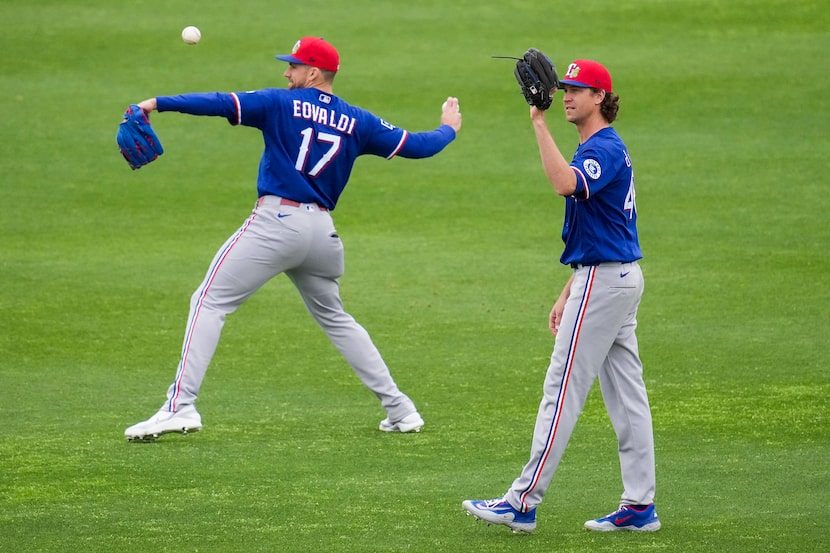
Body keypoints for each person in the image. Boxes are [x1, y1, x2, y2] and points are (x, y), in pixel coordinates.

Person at [124, 36, 463, 441]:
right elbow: (419, 146)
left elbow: (219, 102)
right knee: (337, 319)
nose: (287, 73)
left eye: (294, 66)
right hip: (322, 234)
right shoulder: (359, 120)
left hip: (276, 223)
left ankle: (179, 407)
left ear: (313, 73)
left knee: (208, 301)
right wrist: (448, 128)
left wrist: (156, 103)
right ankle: (401, 409)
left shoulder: (278, 103)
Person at [462, 59, 659, 533]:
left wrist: (536, 120)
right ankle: (639, 506)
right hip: (613, 277)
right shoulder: (600, 147)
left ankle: (521, 502)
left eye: (578, 89)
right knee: (627, 396)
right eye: (565, 87)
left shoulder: (603, 149)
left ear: (600, 98)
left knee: (562, 389)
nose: (567, 95)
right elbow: (608, 228)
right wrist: (571, 285)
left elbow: (563, 183)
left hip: (605, 283)